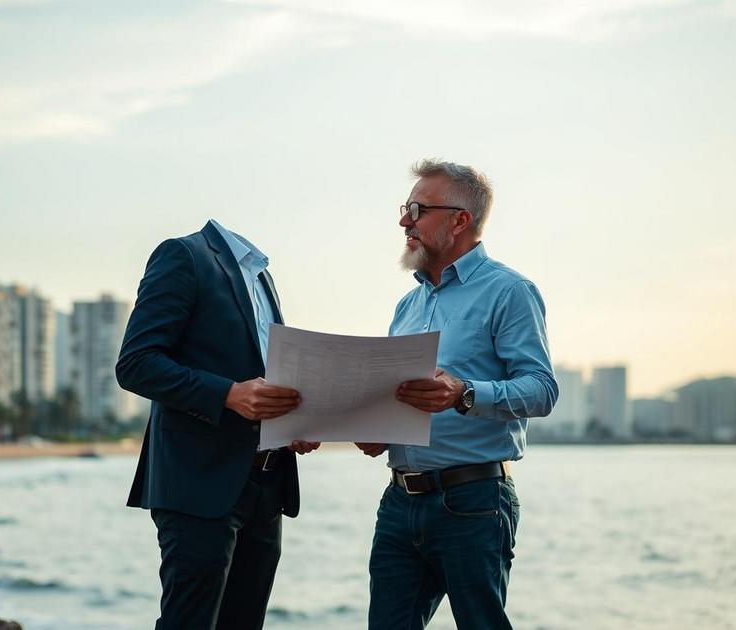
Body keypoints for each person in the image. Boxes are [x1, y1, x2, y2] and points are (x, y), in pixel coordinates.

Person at [357, 160, 559, 629]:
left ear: (459, 219)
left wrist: (464, 392)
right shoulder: (406, 306)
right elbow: (403, 397)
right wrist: (378, 431)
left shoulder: (510, 291)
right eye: (405, 209)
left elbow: (542, 389)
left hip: (473, 502)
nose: (404, 221)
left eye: (416, 209)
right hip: (399, 502)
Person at [116, 219, 319, 630]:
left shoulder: (264, 277)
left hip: (268, 483)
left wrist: (296, 421)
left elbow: (262, 380)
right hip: (198, 482)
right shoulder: (184, 255)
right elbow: (136, 365)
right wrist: (228, 394)